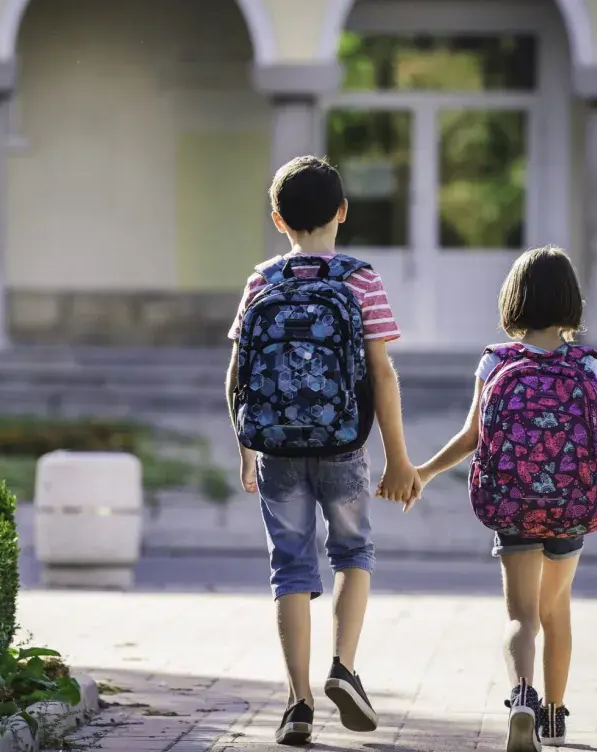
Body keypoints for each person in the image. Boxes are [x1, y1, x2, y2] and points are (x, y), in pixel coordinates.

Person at [225, 155, 420, 746]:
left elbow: (236, 372)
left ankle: (298, 703)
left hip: (277, 449)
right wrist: (398, 458)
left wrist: (246, 446)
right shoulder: (360, 280)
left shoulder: (263, 281)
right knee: (354, 552)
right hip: (343, 446)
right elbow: (382, 376)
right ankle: (344, 667)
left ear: (277, 218)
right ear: (342, 211)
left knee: (290, 567)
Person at [412, 246, 597, 751]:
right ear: (572, 301)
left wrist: (423, 471)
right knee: (557, 613)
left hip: (513, 505)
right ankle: (554, 717)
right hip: (573, 507)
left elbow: (472, 437)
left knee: (520, 618)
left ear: (514, 300)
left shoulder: (496, 361)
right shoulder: (587, 363)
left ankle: (522, 698)